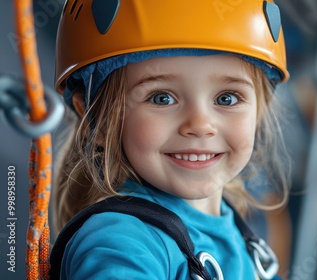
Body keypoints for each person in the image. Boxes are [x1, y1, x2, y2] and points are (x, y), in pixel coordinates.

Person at [51, 0, 290, 279]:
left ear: (258, 112)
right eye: (162, 98)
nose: (200, 125)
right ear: (99, 119)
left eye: (227, 98)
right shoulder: (122, 243)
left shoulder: (239, 236)